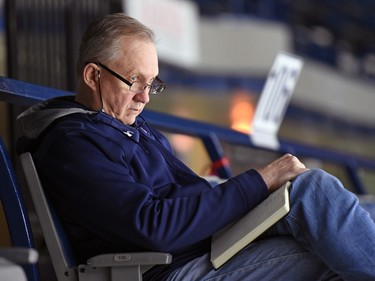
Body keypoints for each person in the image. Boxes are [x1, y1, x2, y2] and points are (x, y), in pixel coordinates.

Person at [16, 13, 375, 281]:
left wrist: (217, 188)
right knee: (331, 239)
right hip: (176, 268)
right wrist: (263, 178)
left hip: (210, 246)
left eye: (153, 83)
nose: (144, 97)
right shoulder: (74, 144)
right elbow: (154, 226)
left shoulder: (128, 128)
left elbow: (170, 200)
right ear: (93, 75)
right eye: (134, 81)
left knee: (344, 207)